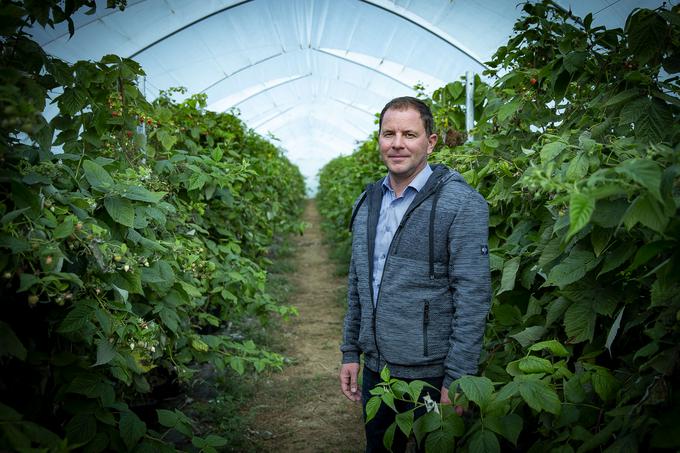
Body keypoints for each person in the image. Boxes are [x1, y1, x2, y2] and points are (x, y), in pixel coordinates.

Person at [339, 96, 491, 452]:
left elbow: (473, 297)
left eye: (409, 134)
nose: (397, 144)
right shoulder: (368, 201)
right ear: (378, 139)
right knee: (379, 447)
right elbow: (359, 283)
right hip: (378, 370)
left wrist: (457, 379)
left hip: (432, 374)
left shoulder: (461, 204)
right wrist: (350, 352)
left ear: (431, 141)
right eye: (388, 134)